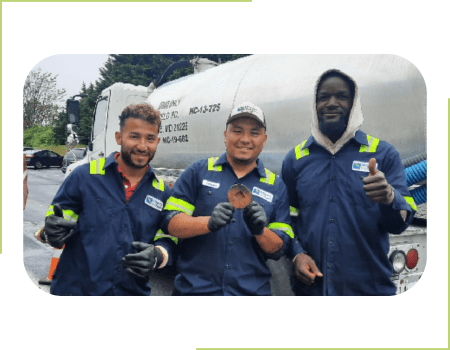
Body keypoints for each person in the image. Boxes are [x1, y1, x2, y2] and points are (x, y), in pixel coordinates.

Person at [281, 69, 417, 296]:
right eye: (324, 97)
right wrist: (297, 254)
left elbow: (400, 224)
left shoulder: (383, 154)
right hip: (311, 291)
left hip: (369, 290)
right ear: (314, 105)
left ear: (354, 104)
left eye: (342, 97)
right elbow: (286, 219)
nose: (331, 103)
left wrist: (389, 197)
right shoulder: (295, 159)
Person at [40, 103, 177, 295]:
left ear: (157, 141)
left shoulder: (162, 192)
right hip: (75, 291)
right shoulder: (84, 177)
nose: (142, 146)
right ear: (119, 137)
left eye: (150, 138)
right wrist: (48, 232)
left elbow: (168, 237)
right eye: (134, 136)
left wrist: (159, 254)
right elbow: (54, 224)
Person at [162, 102, 294, 296]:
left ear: (264, 139)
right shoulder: (198, 172)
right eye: (237, 131)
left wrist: (260, 231)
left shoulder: (277, 186)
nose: (245, 139)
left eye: (254, 133)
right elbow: (170, 223)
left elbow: (278, 249)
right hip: (195, 292)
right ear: (226, 135)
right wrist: (208, 223)